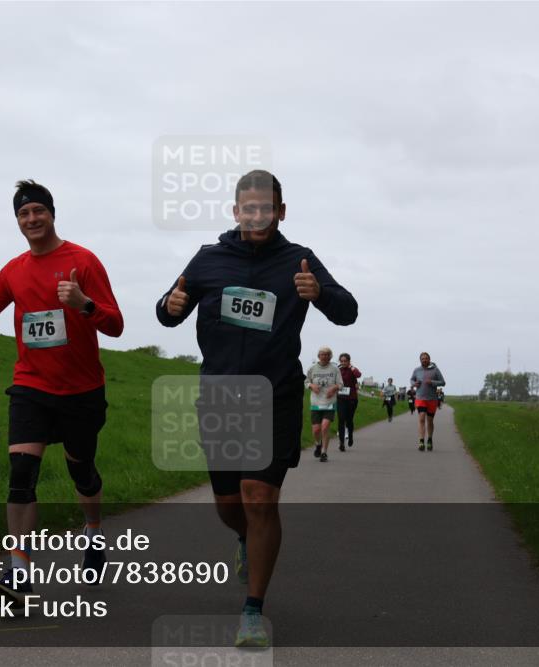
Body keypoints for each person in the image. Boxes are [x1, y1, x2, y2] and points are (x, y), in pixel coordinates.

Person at [156, 170, 357, 647]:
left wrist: (320, 294)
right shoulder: (208, 259)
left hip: (277, 395)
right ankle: (244, 540)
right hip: (222, 396)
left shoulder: (299, 261)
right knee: (230, 504)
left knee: (259, 495)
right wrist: (171, 302)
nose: (257, 216)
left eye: (266, 208)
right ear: (235, 211)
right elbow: (167, 312)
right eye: (248, 208)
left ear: (281, 211)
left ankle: (252, 610)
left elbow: (347, 309)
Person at [0, 179, 124, 605]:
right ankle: (19, 572)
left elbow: (115, 324)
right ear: (17, 220)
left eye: (38, 211)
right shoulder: (14, 270)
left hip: (82, 390)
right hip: (31, 385)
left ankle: (92, 532)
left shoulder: (83, 261)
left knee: (82, 472)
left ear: (52, 213)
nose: (31, 219)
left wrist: (83, 303)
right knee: (20, 474)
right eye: (23, 214)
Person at [306, 347, 340, 462]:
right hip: (315, 403)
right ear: (318, 356)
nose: (324, 356)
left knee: (325, 427)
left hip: (329, 403)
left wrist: (334, 388)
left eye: (327, 354)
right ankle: (318, 444)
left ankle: (324, 452)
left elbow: (340, 384)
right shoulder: (312, 368)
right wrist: (312, 386)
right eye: (322, 354)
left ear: (330, 356)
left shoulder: (335, 369)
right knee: (316, 430)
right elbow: (306, 382)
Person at [411, 352, 446, 451]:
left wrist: (432, 382)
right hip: (420, 398)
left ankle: (430, 439)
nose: (424, 360)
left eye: (426, 358)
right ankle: (421, 441)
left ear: (429, 359)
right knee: (422, 418)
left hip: (432, 399)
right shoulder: (417, 370)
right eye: (422, 358)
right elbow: (411, 380)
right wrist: (414, 383)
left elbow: (443, 382)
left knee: (430, 421)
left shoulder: (435, 370)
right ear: (420, 360)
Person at [336, 353, 362, 449]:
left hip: (351, 399)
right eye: (341, 361)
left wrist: (351, 367)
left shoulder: (352, 369)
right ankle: (341, 442)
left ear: (349, 361)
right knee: (341, 419)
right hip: (340, 398)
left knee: (349, 420)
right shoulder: (338, 369)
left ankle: (350, 436)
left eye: (345, 361)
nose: (343, 363)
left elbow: (358, 375)